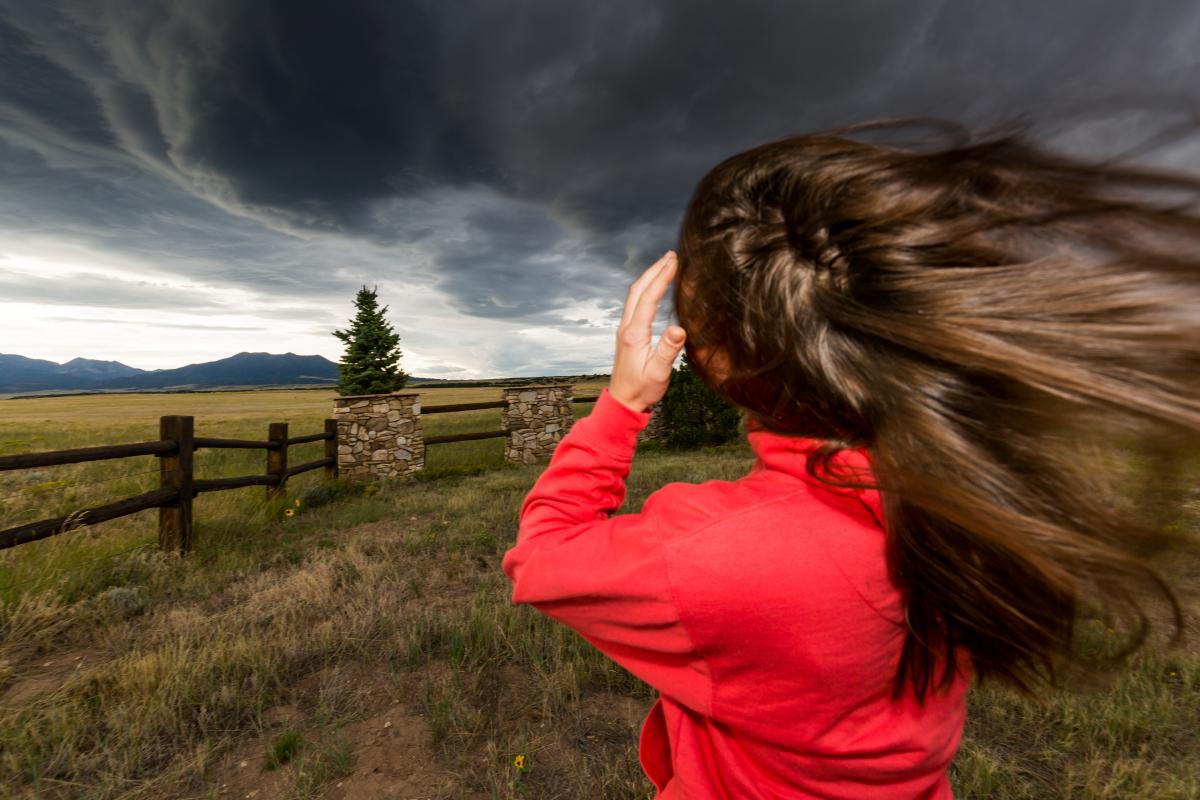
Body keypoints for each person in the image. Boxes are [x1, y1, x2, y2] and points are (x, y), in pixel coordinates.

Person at [501, 118, 1200, 799]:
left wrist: (621, 405)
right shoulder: (965, 492)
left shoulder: (712, 558)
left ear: (714, 355)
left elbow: (542, 557)